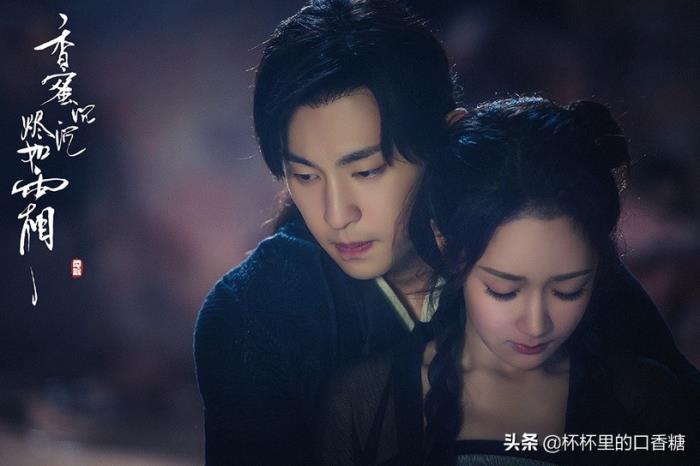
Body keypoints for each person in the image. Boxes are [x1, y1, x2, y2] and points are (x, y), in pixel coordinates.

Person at [193, 1, 692, 464]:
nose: (336, 214)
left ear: (445, 134)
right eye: (305, 176)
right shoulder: (253, 315)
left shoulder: (539, 252)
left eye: (367, 171)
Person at [315, 97, 700, 465]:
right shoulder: (366, 403)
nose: (536, 325)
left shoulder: (643, 402)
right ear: (446, 245)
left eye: (568, 291)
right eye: (504, 290)